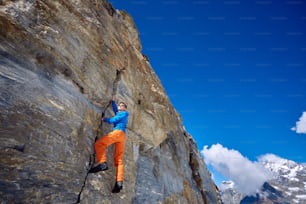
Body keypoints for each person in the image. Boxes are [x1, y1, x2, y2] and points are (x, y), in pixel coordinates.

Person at [89, 96, 129, 193]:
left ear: (125, 108)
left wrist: (104, 119)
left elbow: (113, 120)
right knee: (119, 159)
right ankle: (119, 182)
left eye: (122, 105)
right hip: (122, 137)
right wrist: (113, 102)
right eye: (120, 105)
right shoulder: (121, 113)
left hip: (118, 133)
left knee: (100, 143)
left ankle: (103, 163)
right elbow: (116, 111)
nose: (120, 106)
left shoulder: (123, 113)